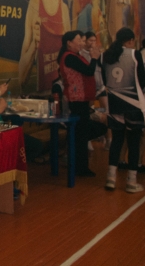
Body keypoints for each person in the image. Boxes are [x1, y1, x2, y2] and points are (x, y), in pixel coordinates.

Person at [101, 27, 145, 193]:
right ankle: (131, 181)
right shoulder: (135, 54)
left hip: (114, 104)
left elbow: (104, 79)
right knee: (134, 143)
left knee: (117, 141)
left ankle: (111, 178)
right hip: (132, 104)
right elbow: (142, 81)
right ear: (130, 40)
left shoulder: (105, 55)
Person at [58, 30, 100, 177]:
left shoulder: (75, 56)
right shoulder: (69, 57)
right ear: (69, 43)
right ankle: (79, 167)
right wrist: (94, 58)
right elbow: (88, 71)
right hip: (76, 100)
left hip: (81, 99)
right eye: (79, 40)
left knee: (83, 133)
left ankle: (81, 165)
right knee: (80, 134)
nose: (81, 43)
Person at [80, 31, 111, 150]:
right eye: (90, 40)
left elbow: (103, 68)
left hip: (100, 86)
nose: (92, 43)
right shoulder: (81, 54)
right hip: (89, 88)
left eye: (94, 40)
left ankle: (108, 139)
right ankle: (89, 139)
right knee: (90, 112)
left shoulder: (98, 53)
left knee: (106, 112)